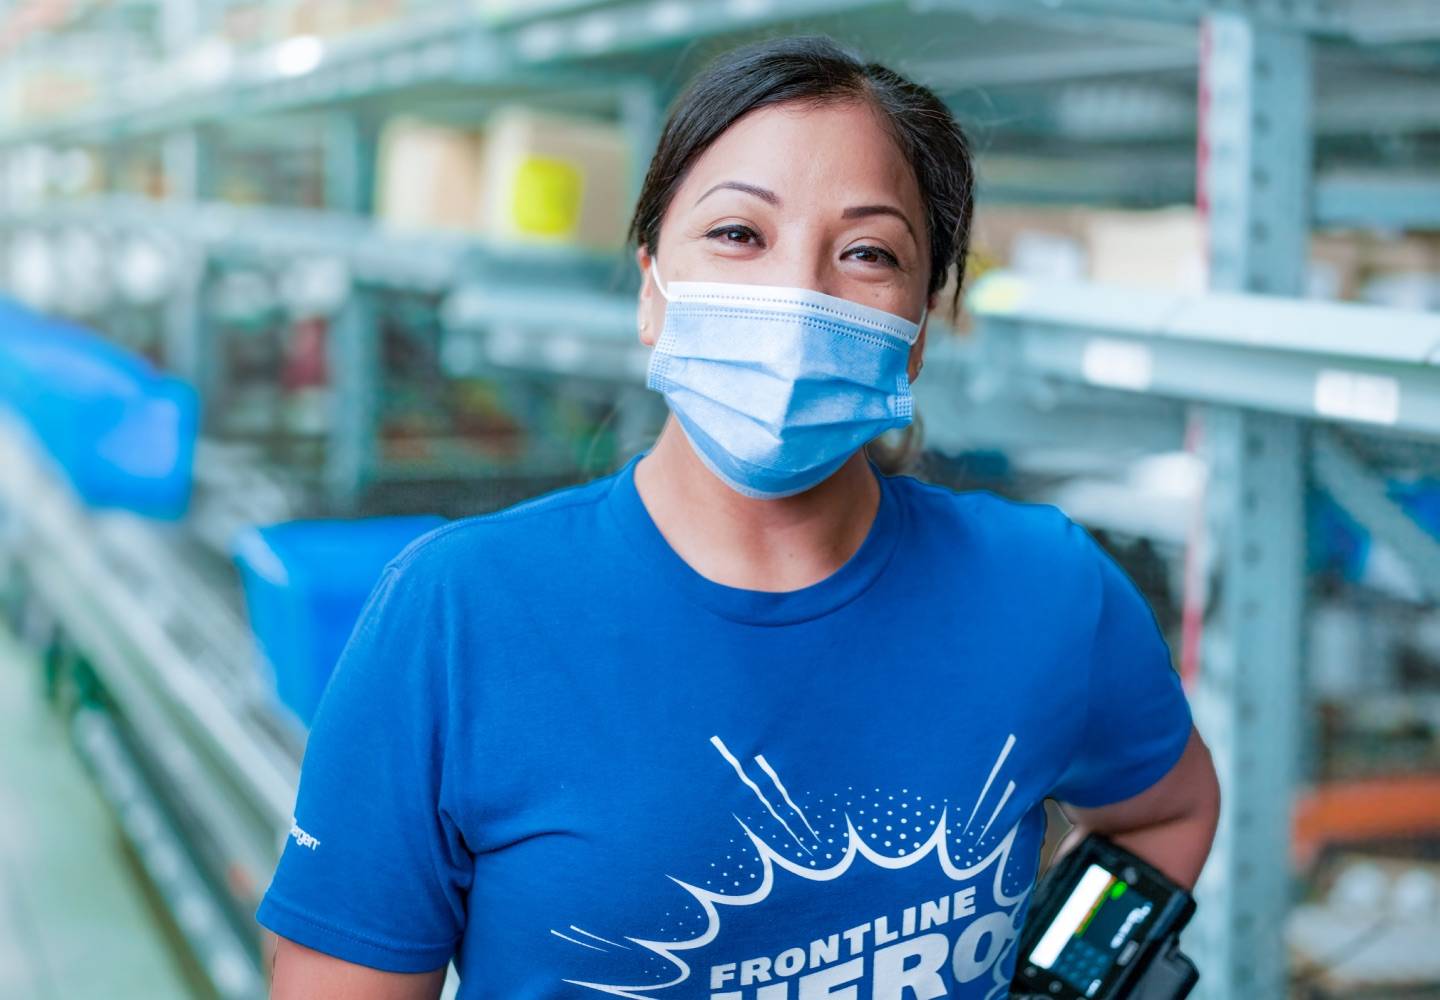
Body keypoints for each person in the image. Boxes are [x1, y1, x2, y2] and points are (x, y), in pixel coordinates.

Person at [257, 33, 1220, 1000]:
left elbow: (1164, 810)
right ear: (651, 290)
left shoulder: (1045, 587)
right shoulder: (459, 613)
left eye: (867, 252)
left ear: (919, 333)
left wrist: (1056, 984)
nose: (797, 295)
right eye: (738, 235)